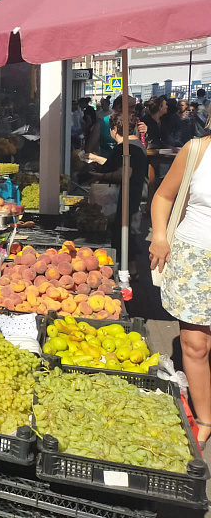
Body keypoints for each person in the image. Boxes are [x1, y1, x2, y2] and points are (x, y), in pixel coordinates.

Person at [150, 133, 211, 449]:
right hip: (195, 259)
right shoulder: (197, 149)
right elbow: (163, 196)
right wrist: (160, 236)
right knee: (195, 343)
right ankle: (204, 419)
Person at [87, 96, 148, 280]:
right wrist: (98, 160)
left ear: (115, 129)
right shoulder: (136, 144)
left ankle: (125, 272)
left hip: (127, 195)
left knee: (121, 232)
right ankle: (131, 269)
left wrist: (101, 176)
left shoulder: (125, 148)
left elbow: (124, 173)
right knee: (124, 230)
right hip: (133, 194)